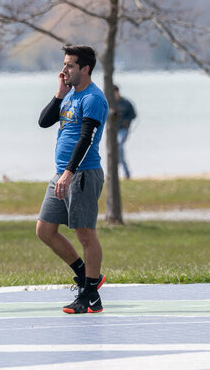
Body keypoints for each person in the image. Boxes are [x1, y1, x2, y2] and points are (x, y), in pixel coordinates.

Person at [36, 45, 109, 314]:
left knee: (85, 234)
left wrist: (69, 173)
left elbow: (86, 139)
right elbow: (44, 122)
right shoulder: (69, 96)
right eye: (64, 64)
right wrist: (59, 94)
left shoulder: (93, 98)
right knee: (45, 230)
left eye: (69, 66)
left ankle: (89, 296)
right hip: (62, 173)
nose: (64, 70)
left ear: (85, 69)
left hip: (82, 174)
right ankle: (86, 276)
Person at [114, 85, 137, 179]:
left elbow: (134, 114)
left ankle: (125, 172)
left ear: (118, 91)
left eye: (115, 92)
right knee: (117, 151)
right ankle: (124, 173)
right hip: (113, 131)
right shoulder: (110, 103)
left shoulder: (126, 103)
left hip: (123, 130)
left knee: (119, 146)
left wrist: (127, 121)